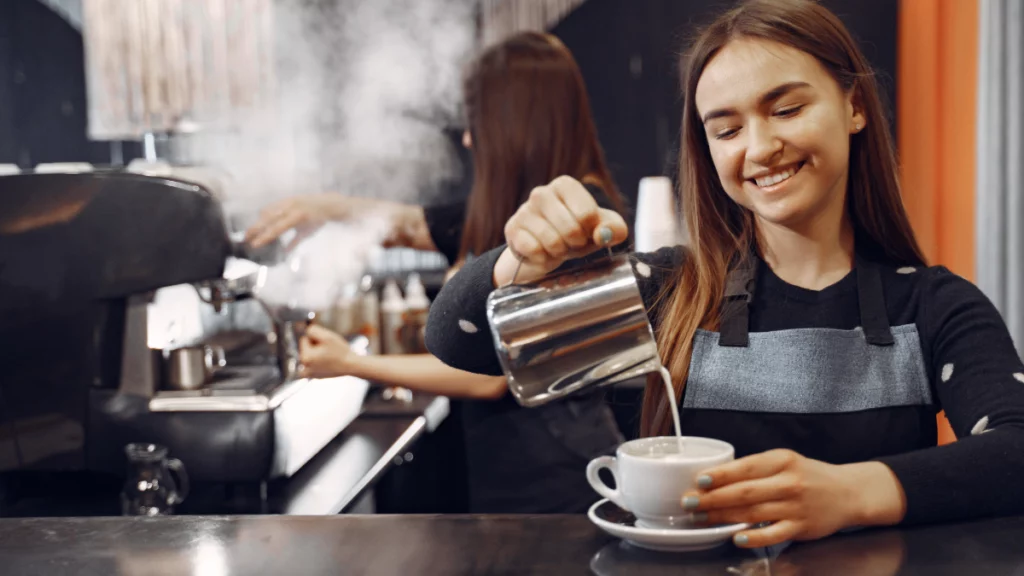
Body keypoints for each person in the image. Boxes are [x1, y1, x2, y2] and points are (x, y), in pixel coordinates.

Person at [425, 0, 1024, 548]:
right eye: (727, 129)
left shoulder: (934, 306)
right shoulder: (670, 294)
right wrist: (516, 261)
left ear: (855, 107)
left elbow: (1014, 449)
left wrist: (848, 495)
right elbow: (458, 342)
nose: (759, 148)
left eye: (786, 109)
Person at [245, 31, 629, 514]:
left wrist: (351, 364)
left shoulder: (572, 220)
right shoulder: (519, 213)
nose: (468, 138)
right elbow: (408, 225)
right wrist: (326, 207)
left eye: (477, 122)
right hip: (515, 469)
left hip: (557, 480)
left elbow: (491, 374)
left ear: (514, 123)